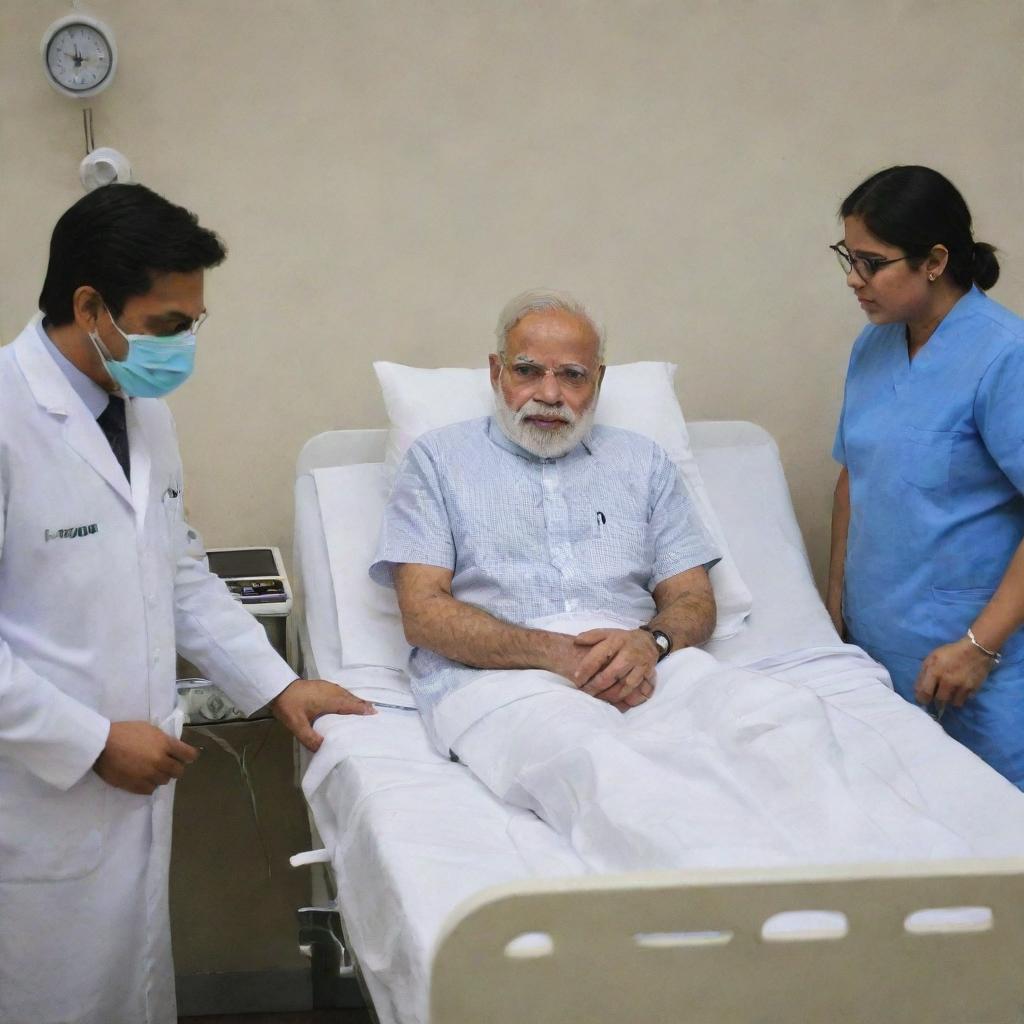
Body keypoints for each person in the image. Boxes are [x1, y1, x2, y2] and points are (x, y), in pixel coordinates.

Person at [369, 289, 1022, 876]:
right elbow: (424, 613)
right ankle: (736, 925)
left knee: (781, 723)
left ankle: (891, 890)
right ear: (494, 372)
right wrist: (559, 655)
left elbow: (691, 599)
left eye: (572, 376)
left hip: (646, 661)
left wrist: (649, 643)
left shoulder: (642, 463)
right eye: (527, 371)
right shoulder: (439, 462)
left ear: (597, 382)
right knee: (607, 768)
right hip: (500, 679)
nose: (549, 393)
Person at [0, 183, 375, 1024]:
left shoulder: (143, 412)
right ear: (91, 306)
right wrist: (90, 742)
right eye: (170, 323)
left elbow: (178, 573)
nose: (184, 345)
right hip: (32, 794)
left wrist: (278, 687)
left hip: (132, 784)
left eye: (192, 325)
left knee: (126, 987)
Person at [827, 165, 1024, 789]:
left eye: (871, 262)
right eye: (847, 258)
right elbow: (852, 477)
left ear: (935, 260)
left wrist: (979, 647)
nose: (855, 280)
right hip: (876, 653)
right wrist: (833, 611)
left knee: (995, 848)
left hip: (975, 667)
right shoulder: (874, 345)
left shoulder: (1004, 356)